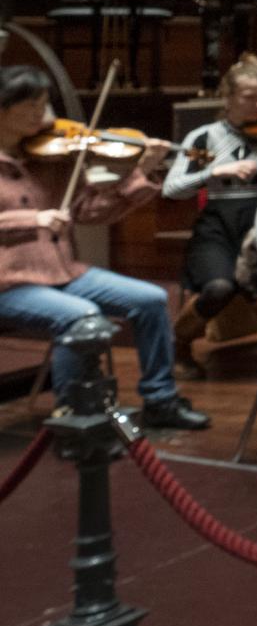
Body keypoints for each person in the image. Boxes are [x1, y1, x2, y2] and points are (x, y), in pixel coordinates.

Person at [0, 67, 207, 431]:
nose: (43, 114)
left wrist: (138, 172)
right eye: (31, 105)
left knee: (150, 300)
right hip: (10, 284)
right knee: (81, 317)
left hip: (62, 273)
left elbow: (91, 212)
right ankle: (73, 418)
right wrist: (33, 220)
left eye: (44, 104)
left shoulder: (50, 156)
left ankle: (160, 400)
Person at [164, 54, 257, 373]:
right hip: (220, 227)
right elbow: (172, 189)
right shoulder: (205, 138)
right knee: (219, 288)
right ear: (228, 98)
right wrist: (213, 172)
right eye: (249, 97)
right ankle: (179, 343)